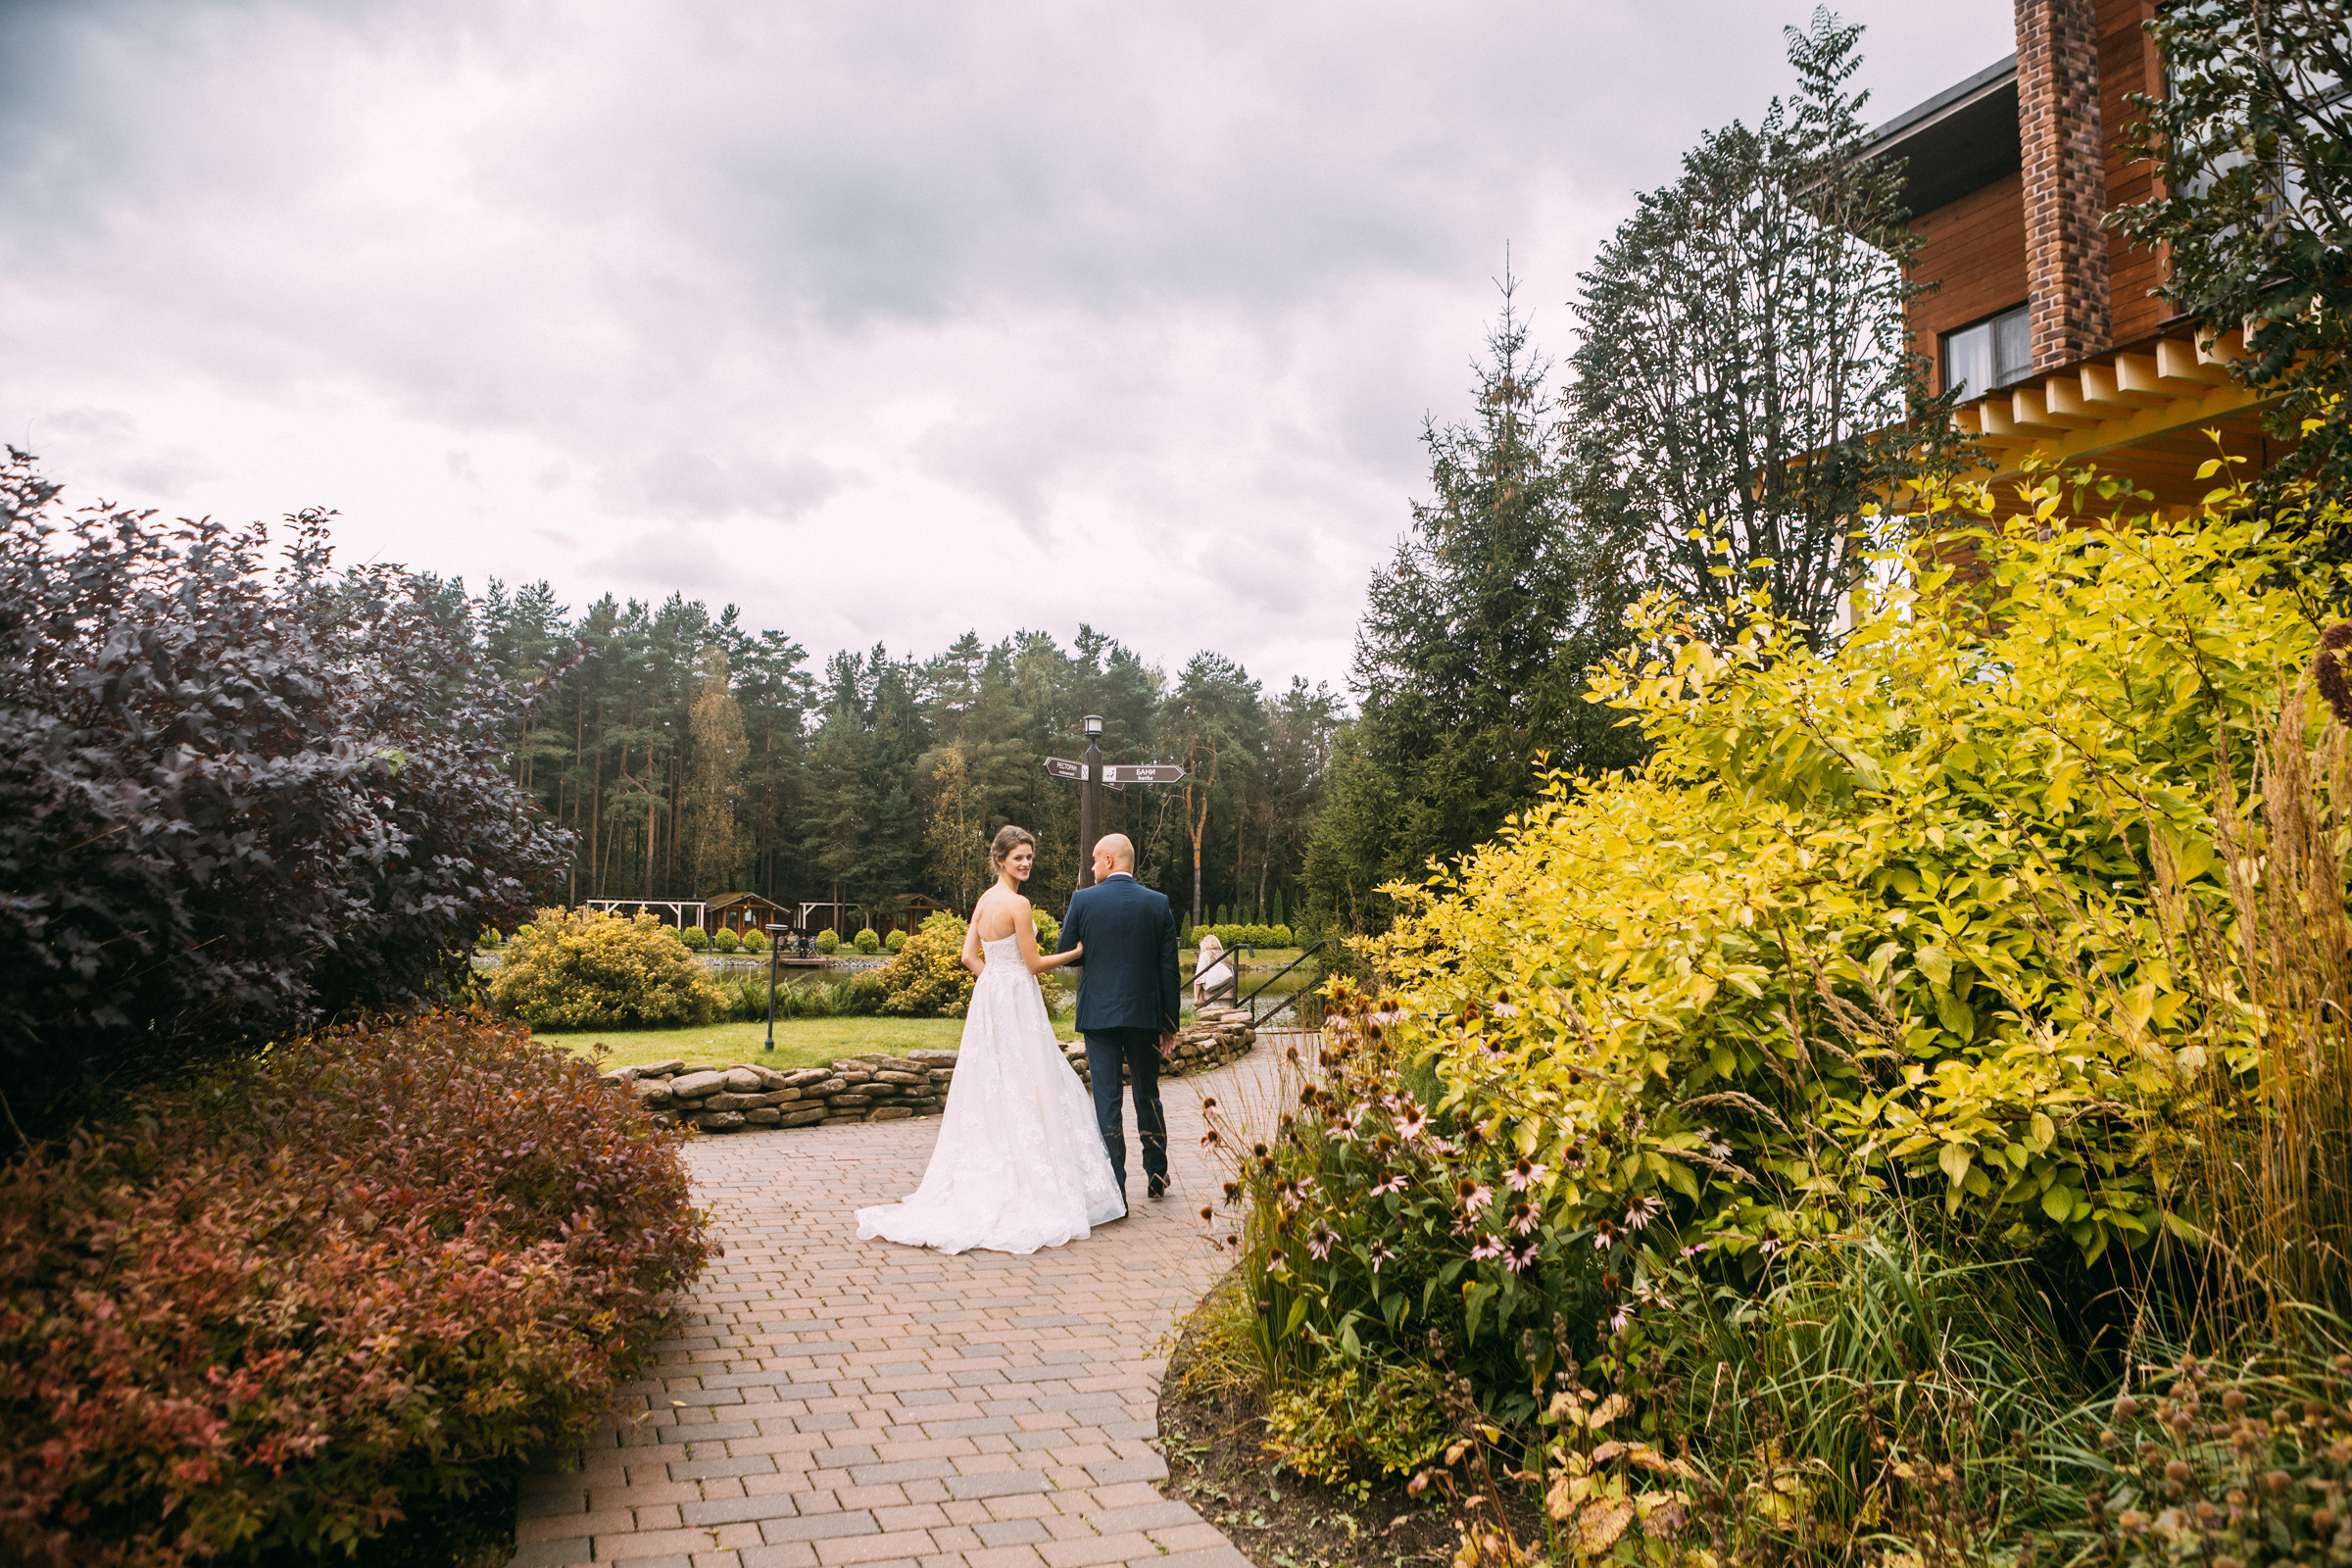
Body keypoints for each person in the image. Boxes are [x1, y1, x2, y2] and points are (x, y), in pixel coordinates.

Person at [855, 825, 1124, 1254]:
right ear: (1001, 860)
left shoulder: (983, 900)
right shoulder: (1018, 904)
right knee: (1030, 1076)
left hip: (992, 999)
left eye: (1029, 857)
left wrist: (996, 981)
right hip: (1015, 998)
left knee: (994, 1080)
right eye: (1018, 857)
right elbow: (1033, 964)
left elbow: (969, 957)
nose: (1026, 864)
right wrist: (1076, 953)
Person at [1054, 833, 1182, 1203]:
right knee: (1147, 1093)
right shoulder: (1158, 904)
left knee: (1107, 1100)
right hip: (1144, 1015)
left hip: (1098, 1014)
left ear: (1109, 860)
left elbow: (1067, 954)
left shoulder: (1083, 901)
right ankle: (1157, 1171)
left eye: (1095, 859)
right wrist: (1169, 1024)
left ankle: (1115, 1188)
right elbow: (1168, 970)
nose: (1091, 866)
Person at [1192, 931, 1236, 1007]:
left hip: (1211, 998)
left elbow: (1199, 978)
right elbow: (1232, 976)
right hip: (1228, 997)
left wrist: (1196, 998)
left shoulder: (1205, 955)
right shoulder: (1227, 956)